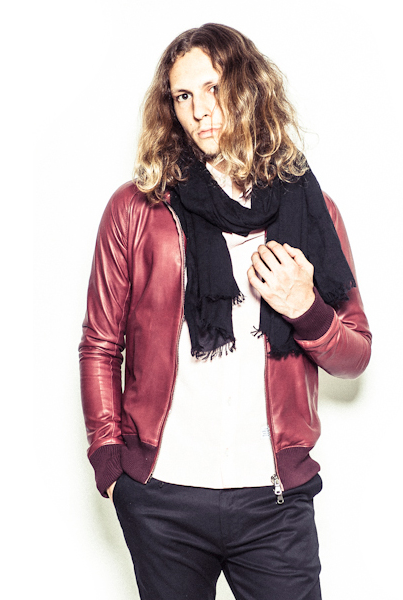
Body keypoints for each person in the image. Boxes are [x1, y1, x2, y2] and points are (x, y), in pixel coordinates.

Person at [79, 23, 371, 600]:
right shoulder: (136, 209)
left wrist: (306, 309)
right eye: (183, 96)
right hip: (162, 498)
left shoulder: (312, 209)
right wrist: (110, 462)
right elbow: (101, 343)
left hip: (273, 501)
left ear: (249, 87)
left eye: (213, 88)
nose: (199, 111)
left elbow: (355, 355)